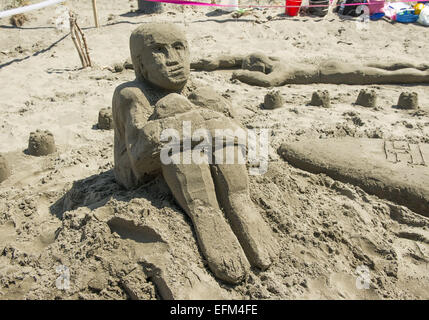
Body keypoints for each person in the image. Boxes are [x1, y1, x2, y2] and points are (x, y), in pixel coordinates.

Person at [112, 23, 278, 284]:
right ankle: (206, 214)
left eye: (179, 48)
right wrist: (188, 122)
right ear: (139, 63)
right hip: (139, 171)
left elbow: (241, 134)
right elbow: (139, 156)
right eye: (159, 51)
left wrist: (211, 117)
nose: (173, 60)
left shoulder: (195, 88)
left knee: (204, 106)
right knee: (173, 111)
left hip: (198, 153)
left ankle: (239, 201)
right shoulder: (131, 95)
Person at [191, 53, 429, 87]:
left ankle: (423, 75)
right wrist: (215, 63)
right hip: (330, 63)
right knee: (382, 66)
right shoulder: (275, 60)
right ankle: (420, 67)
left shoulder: (281, 72)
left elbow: (268, 83)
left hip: (330, 75)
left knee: (385, 76)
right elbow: (239, 57)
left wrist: (240, 75)